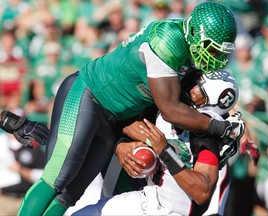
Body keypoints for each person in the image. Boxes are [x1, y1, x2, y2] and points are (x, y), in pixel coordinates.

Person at [4, 2, 245, 215]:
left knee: (69, 194)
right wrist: (221, 128)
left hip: (115, 118)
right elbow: (171, 110)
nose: (215, 59)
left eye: (220, 53)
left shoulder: (188, 60)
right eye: (211, 49)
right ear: (193, 33)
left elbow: (158, 112)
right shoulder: (169, 40)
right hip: (90, 94)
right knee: (57, 177)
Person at [71, 69, 242, 216]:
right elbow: (128, 125)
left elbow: (202, 192)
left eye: (197, 90)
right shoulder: (171, 108)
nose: (189, 87)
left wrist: (165, 152)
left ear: (209, 105)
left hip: (174, 211)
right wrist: (120, 145)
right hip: (149, 199)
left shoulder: (205, 135)